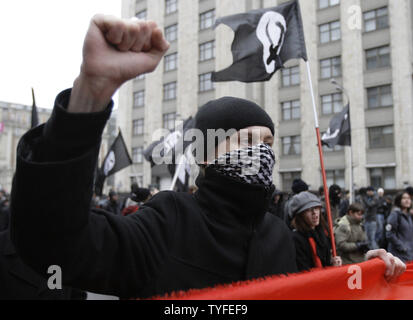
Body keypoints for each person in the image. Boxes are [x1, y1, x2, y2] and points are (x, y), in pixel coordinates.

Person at [9, 14, 405, 299]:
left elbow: (315, 291)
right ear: (205, 155)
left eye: (267, 141)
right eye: (246, 139)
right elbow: (53, 242)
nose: (261, 152)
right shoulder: (167, 222)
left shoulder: (280, 237)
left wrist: (365, 274)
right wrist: (89, 99)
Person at [290, 191, 342, 271]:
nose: (315, 213)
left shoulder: (323, 233)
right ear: (300, 215)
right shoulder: (296, 239)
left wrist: (333, 262)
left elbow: (325, 259)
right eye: (308, 210)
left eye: (316, 208)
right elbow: (302, 270)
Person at [385, 192, 413, 262]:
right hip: (399, 255)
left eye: (409, 198)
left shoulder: (409, 215)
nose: (407, 200)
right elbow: (389, 234)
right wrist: (402, 247)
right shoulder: (395, 214)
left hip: (409, 254)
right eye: (404, 198)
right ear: (399, 200)